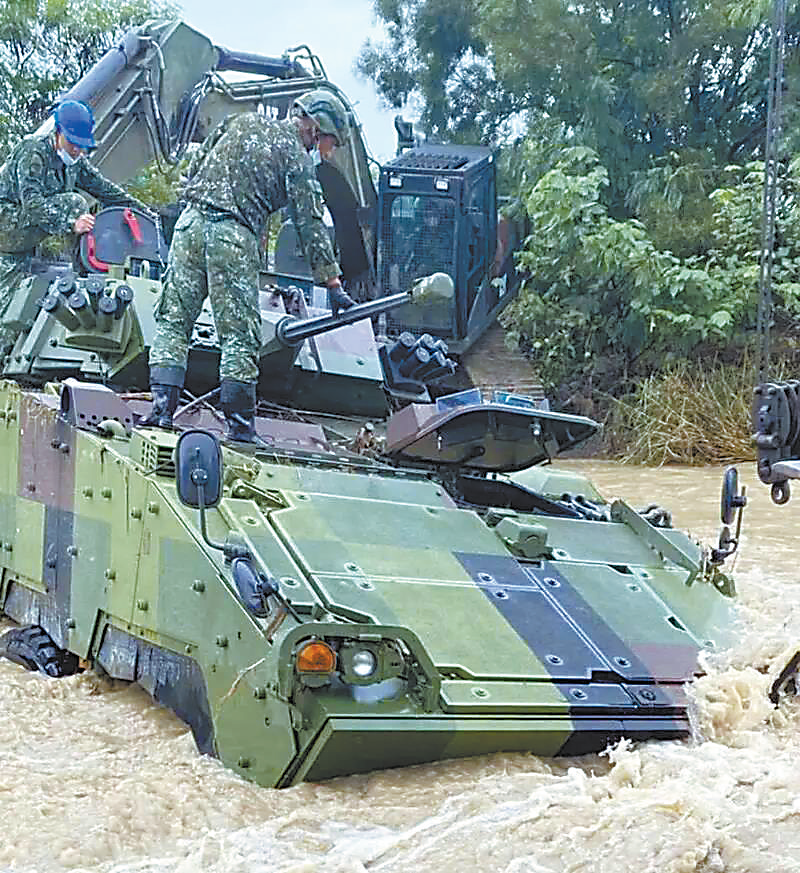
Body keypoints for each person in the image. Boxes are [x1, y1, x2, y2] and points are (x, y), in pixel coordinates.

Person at [143, 88, 355, 442]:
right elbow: (310, 223)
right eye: (330, 143)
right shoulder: (296, 158)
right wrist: (332, 283)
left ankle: (161, 411)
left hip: (189, 226)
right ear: (316, 129)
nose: (328, 153)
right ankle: (240, 429)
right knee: (239, 336)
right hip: (233, 236)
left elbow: (194, 169)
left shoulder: (239, 121)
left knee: (173, 322)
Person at [0, 100, 150, 353]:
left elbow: (104, 189)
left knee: (9, 312)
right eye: (73, 143)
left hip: (23, 245)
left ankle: (83, 285)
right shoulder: (33, 153)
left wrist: (144, 212)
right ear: (57, 133)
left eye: (82, 146)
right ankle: (83, 275)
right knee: (75, 202)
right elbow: (32, 205)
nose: (78, 151)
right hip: (8, 227)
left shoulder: (74, 160)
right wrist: (71, 223)